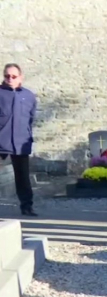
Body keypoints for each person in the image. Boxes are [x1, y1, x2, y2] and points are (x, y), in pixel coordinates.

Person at [0, 63, 37, 216]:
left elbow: (31, 118)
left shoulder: (29, 96)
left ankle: (27, 206)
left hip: (21, 142)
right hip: (1, 140)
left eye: (13, 76)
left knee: (22, 177)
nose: (10, 79)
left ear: (20, 77)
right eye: (7, 76)